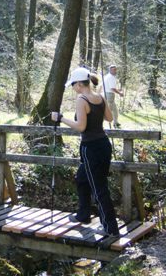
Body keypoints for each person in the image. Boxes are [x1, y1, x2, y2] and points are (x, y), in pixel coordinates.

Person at [51, 67, 119, 237]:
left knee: (99, 188)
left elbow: (81, 127)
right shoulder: (100, 97)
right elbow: (110, 118)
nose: (73, 88)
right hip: (104, 145)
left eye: (73, 85)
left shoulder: (82, 99)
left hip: (91, 148)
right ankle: (83, 214)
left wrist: (61, 118)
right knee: (82, 178)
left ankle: (111, 228)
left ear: (80, 84)